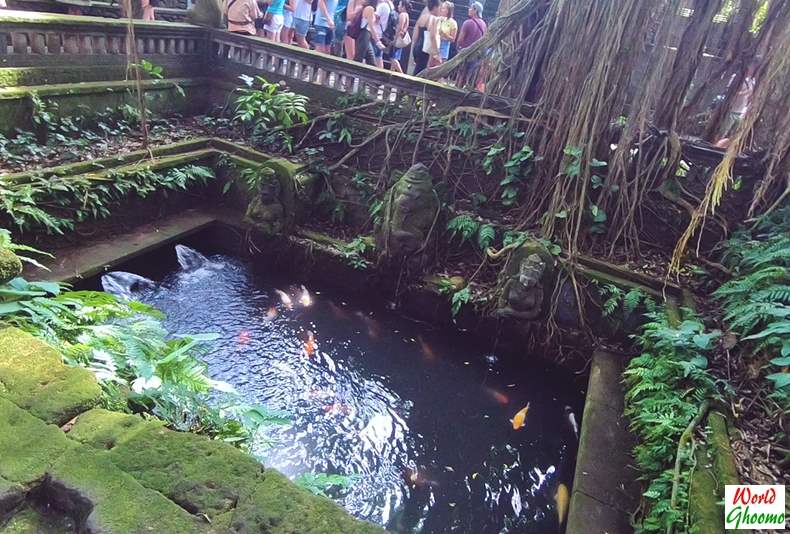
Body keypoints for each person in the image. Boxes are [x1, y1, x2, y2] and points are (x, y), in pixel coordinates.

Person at [411, 0, 440, 75]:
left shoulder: (422, 17)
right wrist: (436, 52)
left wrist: (414, 46)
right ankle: (411, 86)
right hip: (425, 48)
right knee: (421, 73)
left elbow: (415, 33)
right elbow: (433, 36)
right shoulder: (434, 19)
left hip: (417, 46)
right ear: (435, 7)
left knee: (417, 69)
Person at [354, 0, 383, 65]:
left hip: (366, 35)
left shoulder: (369, 8)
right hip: (364, 34)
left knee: (371, 59)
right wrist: (377, 41)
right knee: (359, 58)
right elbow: (371, 26)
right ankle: (350, 74)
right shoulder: (370, 9)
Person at [390, 0, 410, 73]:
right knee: (395, 58)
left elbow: (400, 27)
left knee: (392, 58)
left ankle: (401, 74)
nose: (398, 6)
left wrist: (395, 39)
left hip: (398, 37)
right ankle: (391, 73)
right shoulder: (407, 15)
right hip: (402, 38)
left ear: (403, 7)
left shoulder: (402, 15)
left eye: (399, 5)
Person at [373, 0, 394, 68]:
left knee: (373, 56)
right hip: (383, 34)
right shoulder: (391, 6)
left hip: (376, 34)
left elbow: (375, 18)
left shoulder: (382, 6)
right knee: (379, 57)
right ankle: (381, 76)